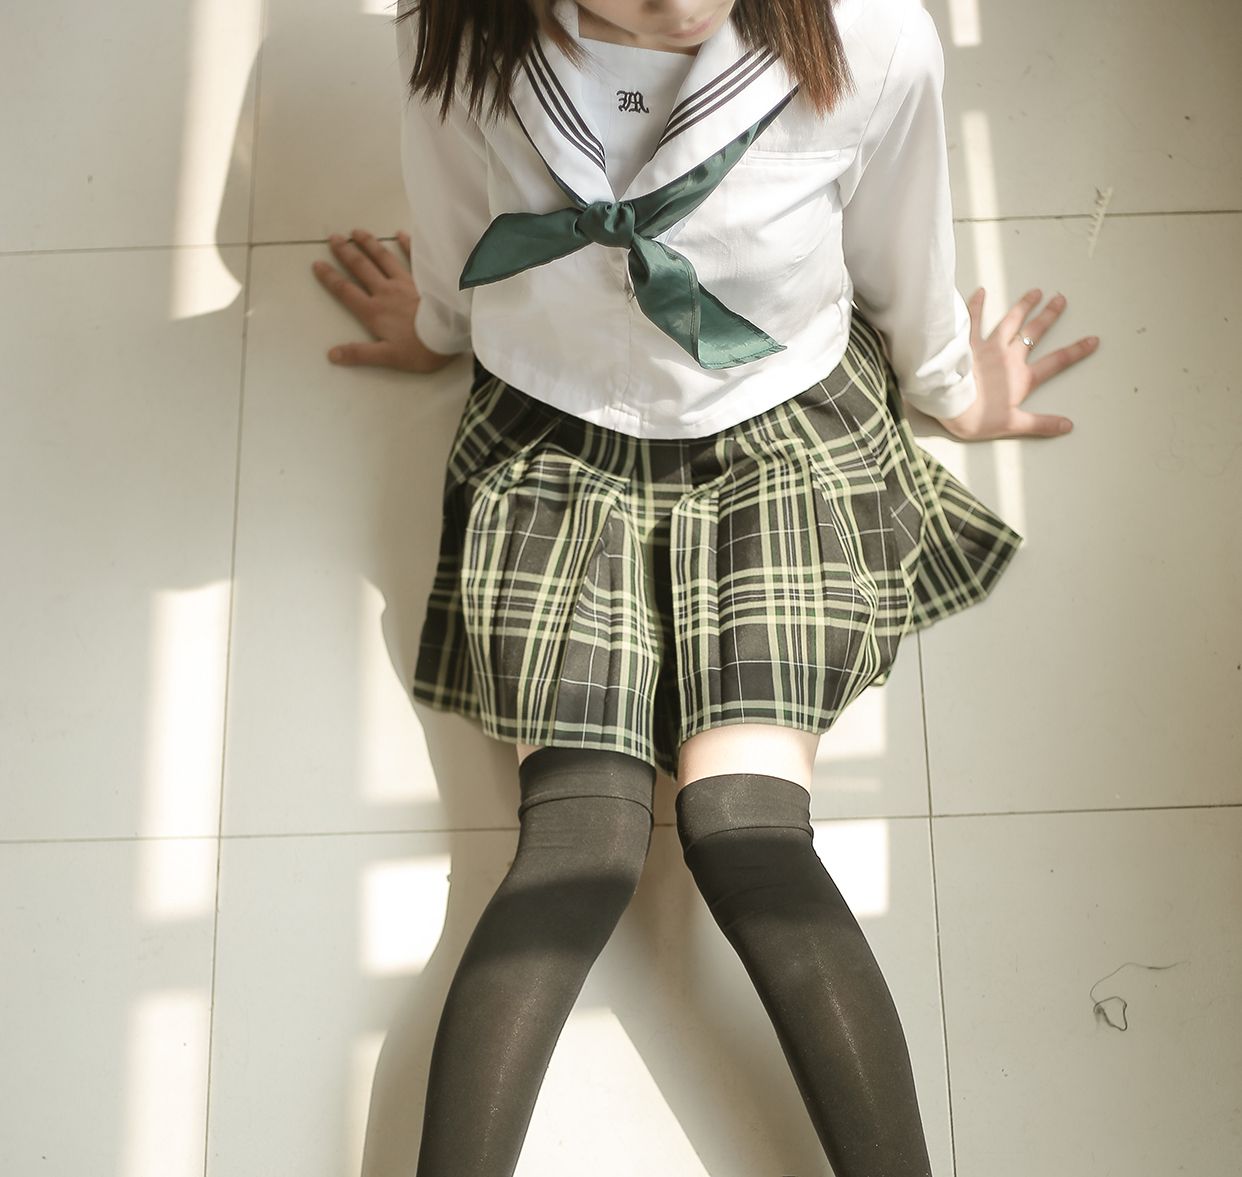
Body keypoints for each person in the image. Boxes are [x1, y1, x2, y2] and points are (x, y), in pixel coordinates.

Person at [312, 1, 1100, 1174]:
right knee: (577, 843)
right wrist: (435, 323)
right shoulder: (457, 30)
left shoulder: (874, 36)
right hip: (554, 438)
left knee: (746, 830)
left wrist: (950, 385)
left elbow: (899, 240)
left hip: (774, 432)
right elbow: (458, 214)